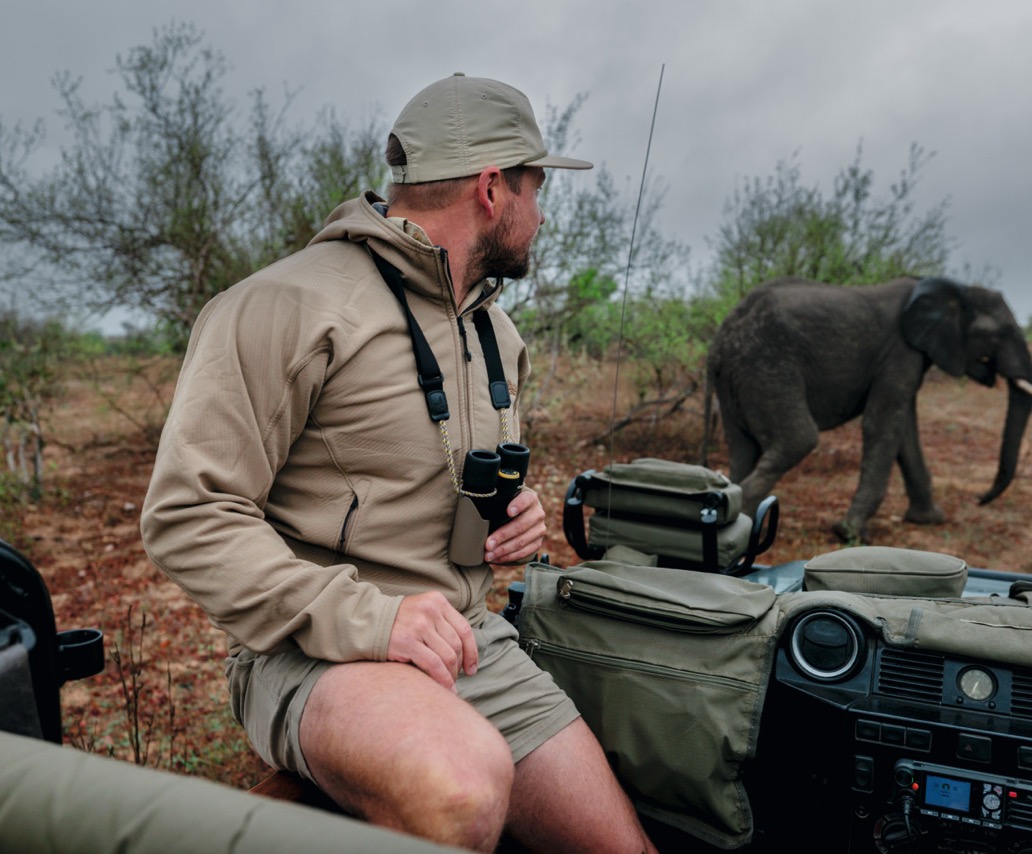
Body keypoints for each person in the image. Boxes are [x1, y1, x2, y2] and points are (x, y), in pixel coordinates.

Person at [140, 73, 655, 853]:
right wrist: (374, 619)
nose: (542, 215)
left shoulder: (498, 335)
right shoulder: (284, 306)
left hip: (467, 640)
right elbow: (187, 514)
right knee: (462, 789)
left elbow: (437, 479)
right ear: (492, 188)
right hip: (312, 654)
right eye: (536, 189)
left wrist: (513, 516)